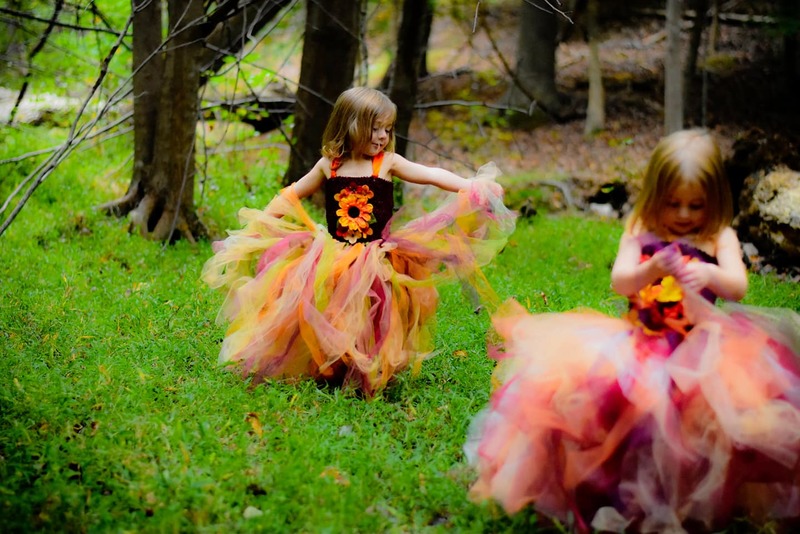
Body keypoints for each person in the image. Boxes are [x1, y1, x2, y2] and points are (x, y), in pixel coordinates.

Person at [464, 129, 800, 532]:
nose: (684, 215)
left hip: (701, 349)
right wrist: (651, 268)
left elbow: (738, 286)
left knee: (702, 425)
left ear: (714, 200)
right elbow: (621, 282)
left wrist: (707, 271)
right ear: (655, 194)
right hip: (644, 343)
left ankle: (691, 493)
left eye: (696, 204)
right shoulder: (642, 228)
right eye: (673, 203)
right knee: (627, 412)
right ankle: (616, 487)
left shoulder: (717, 236)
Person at [202, 87, 516, 397]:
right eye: (375, 128)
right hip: (335, 256)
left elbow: (430, 173)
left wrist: (470, 185)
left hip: (377, 256)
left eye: (387, 129)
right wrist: (263, 220)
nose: (382, 136)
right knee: (332, 312)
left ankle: (368, 367)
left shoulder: (387, 163)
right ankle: (332, 363)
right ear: (350, 126)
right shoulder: (330, 164)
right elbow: (293, 193)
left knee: (373, 314)